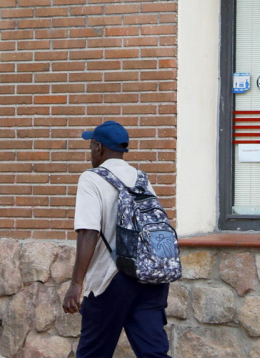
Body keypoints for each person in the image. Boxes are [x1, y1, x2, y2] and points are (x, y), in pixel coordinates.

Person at [61, 121, 171, 358]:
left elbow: (88, 231)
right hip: (151, 279)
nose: (90, 151)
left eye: (91, 146)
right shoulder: (141, 178)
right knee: (154, 354)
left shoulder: (91, 179)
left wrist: (76, 284)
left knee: (93, 354)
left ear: (98, 147)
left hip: (112, 280)